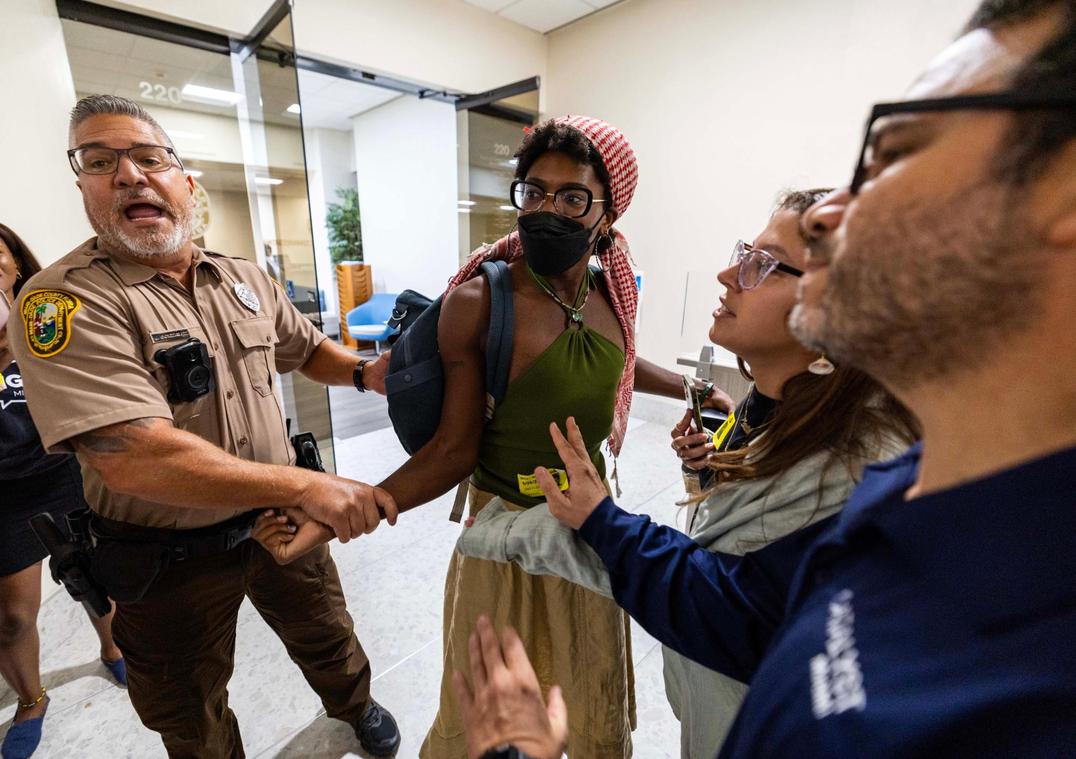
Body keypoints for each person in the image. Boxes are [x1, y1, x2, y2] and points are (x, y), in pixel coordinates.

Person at [454, 0, 1076, 754]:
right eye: (537, 193)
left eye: (897, 152)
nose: (829, 217)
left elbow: (729, 608)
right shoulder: (913, 492)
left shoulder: (1013, 660)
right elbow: (754, 604)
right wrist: (718, 462)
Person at [254, 115, 731, 759]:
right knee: (488, 723)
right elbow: (454, 450)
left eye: (571, 197)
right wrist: (350, 509)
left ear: (608, 211)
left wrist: (690, 390)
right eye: (532, 191)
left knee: (587, 702)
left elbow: (616, 357)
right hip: (503, 544)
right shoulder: (481, 301)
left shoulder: (608, 288)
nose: (546, 210)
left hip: (590, 535)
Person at [455, 189, 919, 758]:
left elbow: (726, 599)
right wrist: (706, 468)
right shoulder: (778, 401)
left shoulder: (862, 462)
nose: (727, 274)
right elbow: (743, 527)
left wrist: (595, 521)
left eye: (761, 265)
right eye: (743, 252)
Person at [8, 94, 401, 759]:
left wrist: (367, 373)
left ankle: (355, 705)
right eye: (101, 161)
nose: (130, 174)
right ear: (84, 189)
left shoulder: (243, 276)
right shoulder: (65, 299)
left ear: (184, 184)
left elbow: (305, 350)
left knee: (326, 629)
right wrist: (307, 486)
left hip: (279, 522)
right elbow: (130, 455)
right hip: (165, 556)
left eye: (149, 157)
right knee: (187, 701)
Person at [0, 214, 124, 759]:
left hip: (71, 473)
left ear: (16, 259)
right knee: (14, 619)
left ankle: (113, 650)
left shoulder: (54, 315)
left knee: (100, 582)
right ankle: (31, 699)